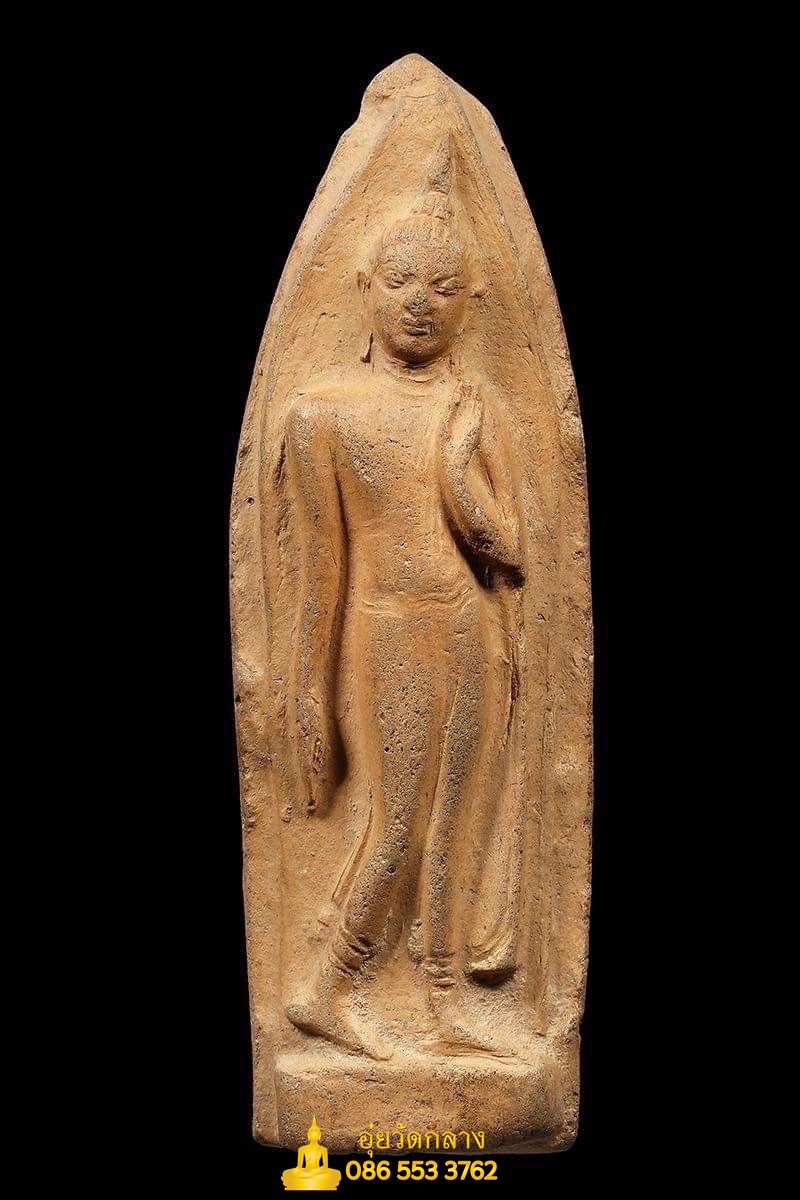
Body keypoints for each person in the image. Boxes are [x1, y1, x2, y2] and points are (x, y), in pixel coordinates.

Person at [284, 146, 524, 1060]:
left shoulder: (476, 407)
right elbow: (319, 574)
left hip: (469, 629)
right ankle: (325, 987)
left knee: (461, 817)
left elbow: (511, 552)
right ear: (365, 287)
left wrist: (459, 467)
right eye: (400, 282)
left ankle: (443, 998)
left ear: (472, 301)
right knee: (398, 822)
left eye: (443, 286)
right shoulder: (323, 414)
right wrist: (306, 696)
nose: (420, 302)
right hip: (384, 635)